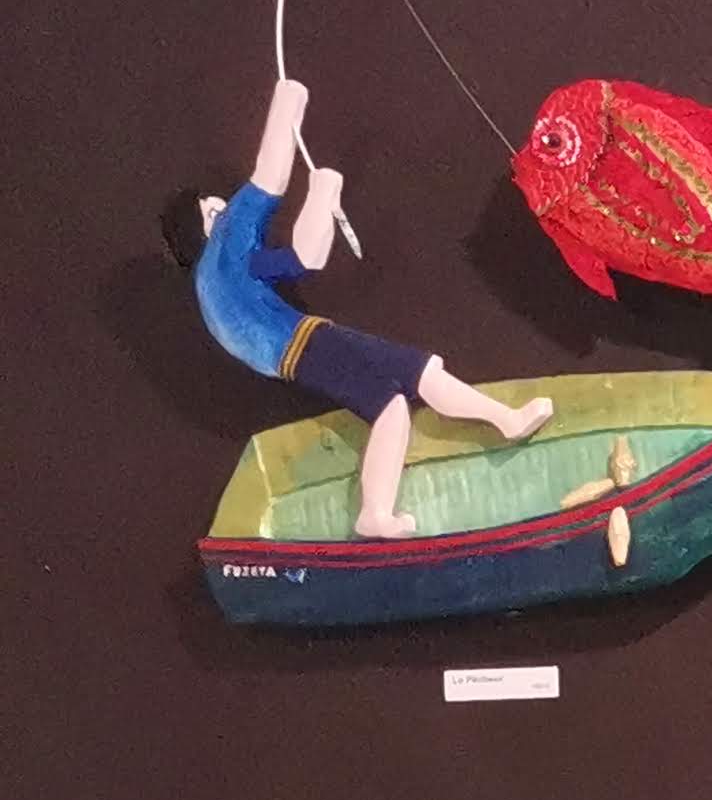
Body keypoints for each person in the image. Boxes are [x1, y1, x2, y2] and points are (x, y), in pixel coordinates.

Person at [163, 76, 551, 537]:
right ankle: (375, 514)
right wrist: (289, 102)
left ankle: (505, 420)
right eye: (214, 211)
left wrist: (323, 195)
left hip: (298, 342)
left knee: (416, 371)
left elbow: (304, 256)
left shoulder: (219, 282)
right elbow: (271, 175)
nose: (226, 209)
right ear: (205, 228)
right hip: (297, 345)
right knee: (391, 403)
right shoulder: (223, 249)